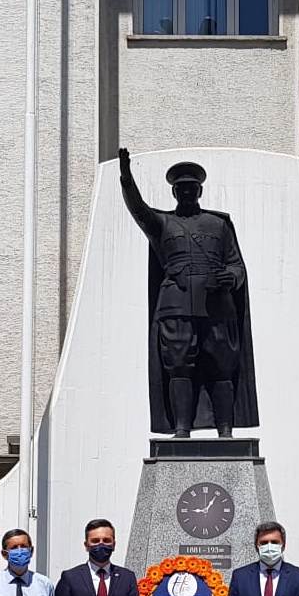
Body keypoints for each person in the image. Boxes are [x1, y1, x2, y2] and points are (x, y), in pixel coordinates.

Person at [119, 148, 259, 438]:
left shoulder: (218, 225)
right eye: (181, 189)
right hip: (176, 305)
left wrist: (232, 277)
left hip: (217, 305)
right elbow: (138, 210)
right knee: (179, 366)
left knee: (221, 366)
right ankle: (182, 430)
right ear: (174, 193)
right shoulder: (162, 223)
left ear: (200, 191)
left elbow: (236, 264)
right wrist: (126, 178)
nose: (186, 193)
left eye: (191, 188)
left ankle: (225, 431)